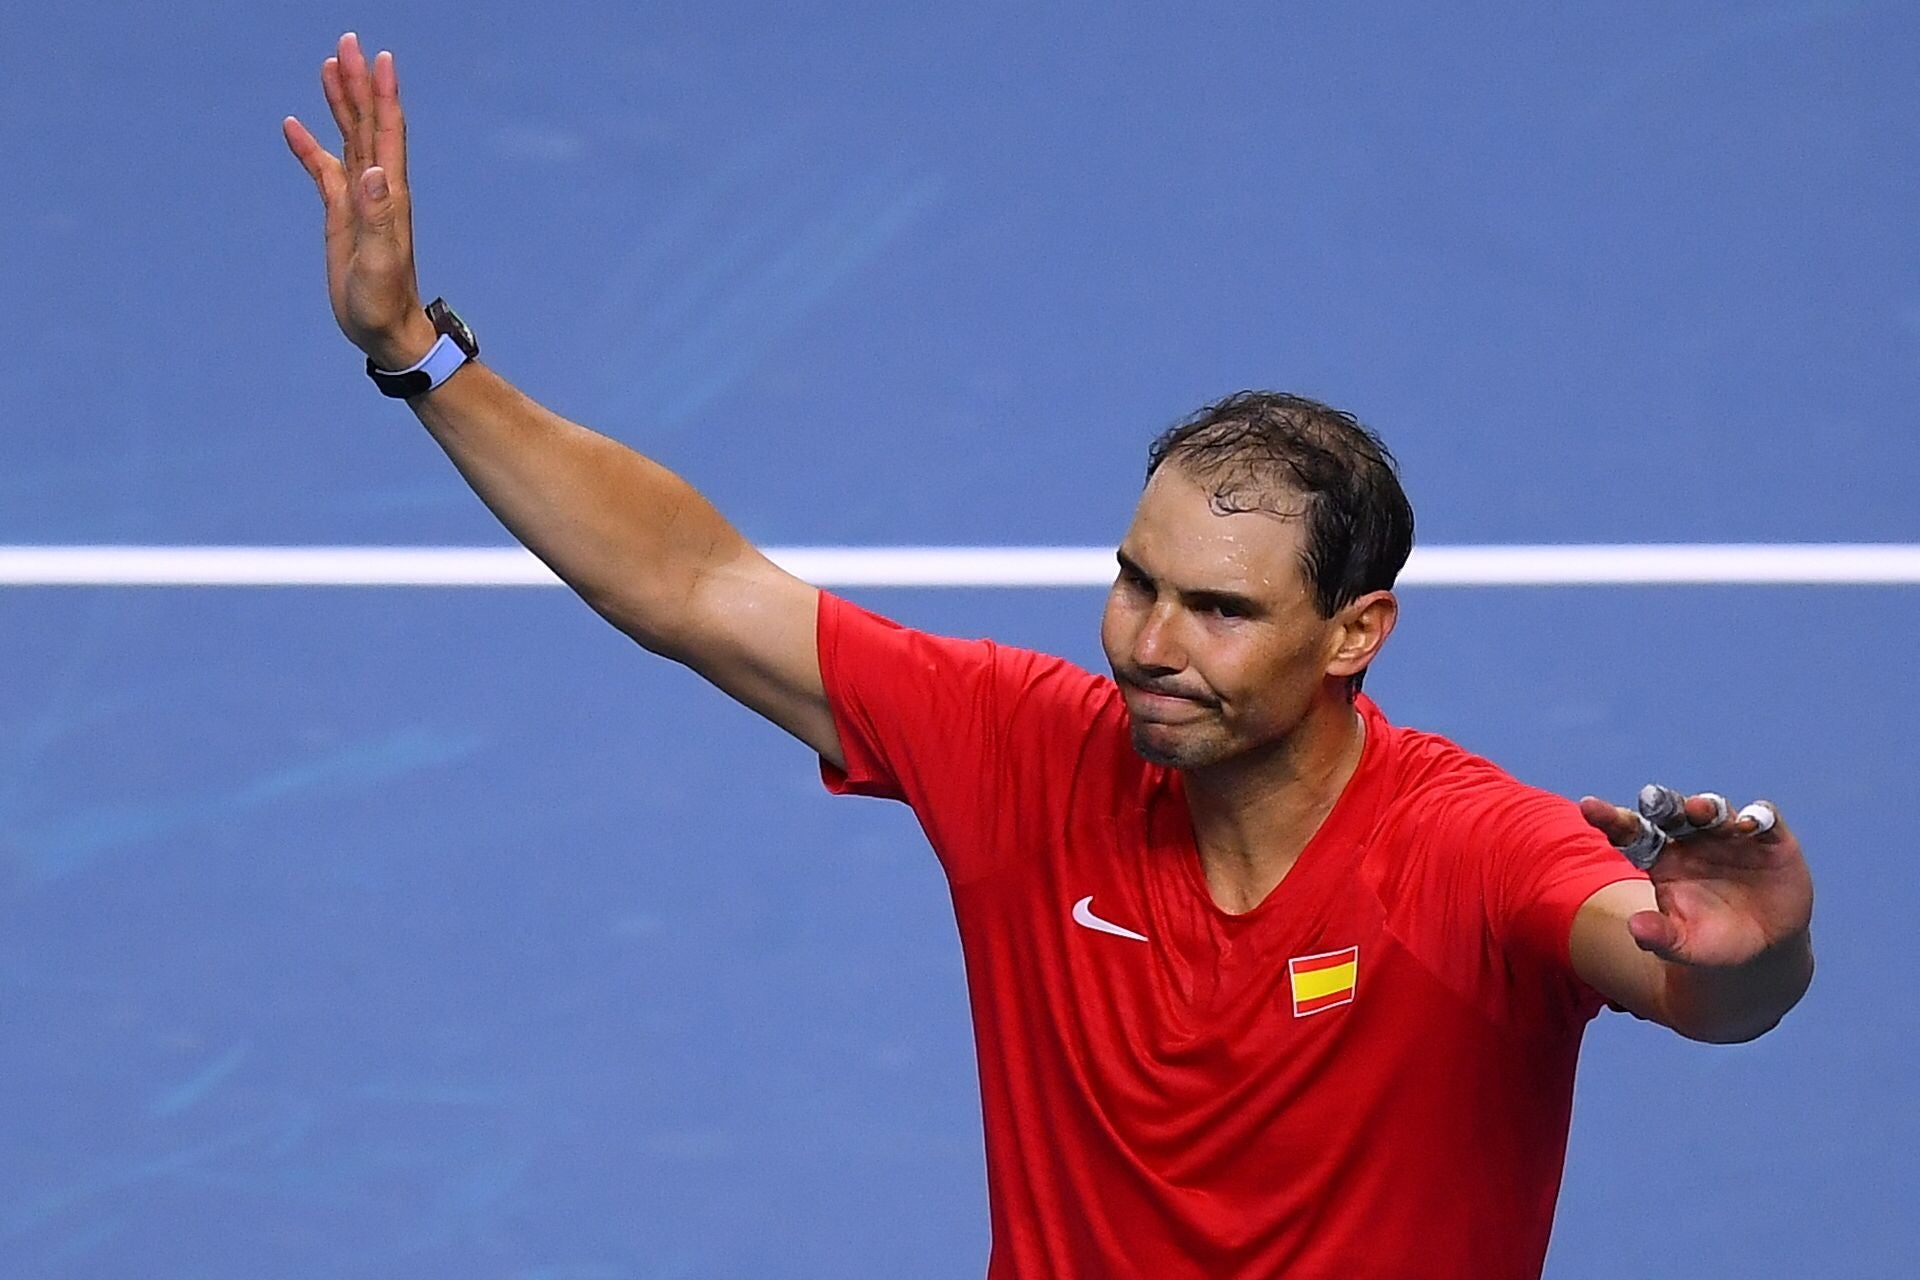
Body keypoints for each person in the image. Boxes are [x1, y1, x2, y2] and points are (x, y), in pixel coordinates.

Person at [283, 33, 1816, 1280]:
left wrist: (1761, 958)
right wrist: (416, 349)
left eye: (1221, 611)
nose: (1152, 645)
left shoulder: (1471, 851)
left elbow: (1689, 985)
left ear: (1358, 633)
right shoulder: (1027, 749)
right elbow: (695, 582)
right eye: (1135, 582)